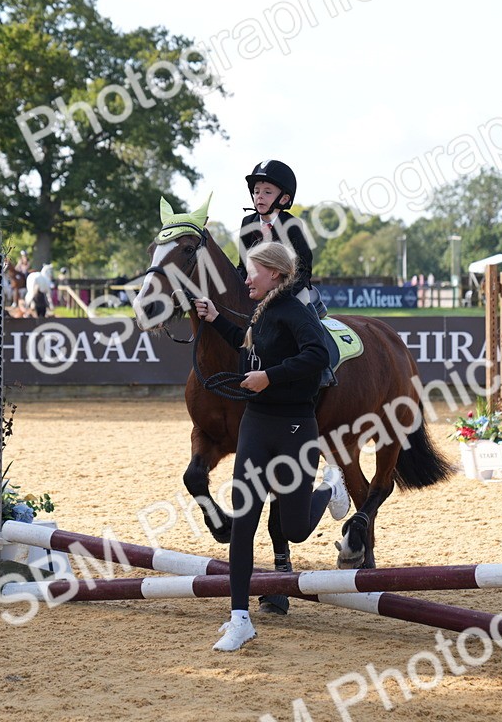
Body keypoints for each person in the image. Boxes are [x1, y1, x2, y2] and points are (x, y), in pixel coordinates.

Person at [193, 242, 350, 652]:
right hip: (256, 426)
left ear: (276, 274)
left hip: (296, 427)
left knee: (294, 530)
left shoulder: (295, 312)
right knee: (243, 522)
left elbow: (317, 355)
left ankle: (331, 489)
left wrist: (271, 378)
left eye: (252, 271)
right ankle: (239, 618)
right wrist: (214, 320)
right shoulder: (259, 312)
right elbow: (249, 348)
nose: (245, 278)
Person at [236, 160, 324, 316]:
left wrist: (281, 294)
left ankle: (314, 336)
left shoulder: (292, 224)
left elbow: (303, 269)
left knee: (302, 310)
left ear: (284, 199)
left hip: (289, 291)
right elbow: (243, 266)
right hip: (257, 289)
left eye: (267, 192)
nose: (259, 197)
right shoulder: (247, 223)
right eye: (256, 192)